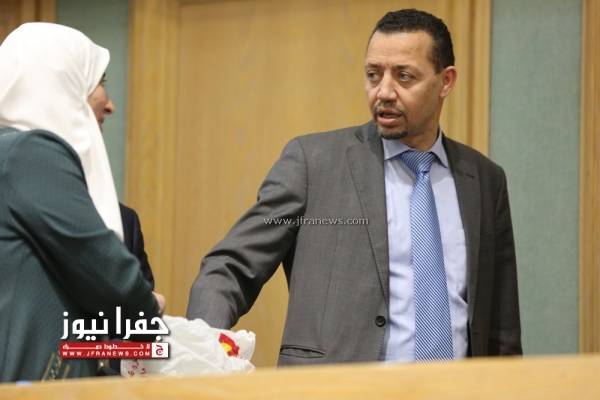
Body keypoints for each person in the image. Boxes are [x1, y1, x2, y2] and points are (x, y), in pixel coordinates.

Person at [187, 9, 521, 365]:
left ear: (446, 81)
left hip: (457, 386)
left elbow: (501, 326)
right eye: (373, 75)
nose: (384, 92)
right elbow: (231, 267)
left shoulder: (485, 180)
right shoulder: (313, 163)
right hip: (337, 385)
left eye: (404, 76)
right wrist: (202, 352)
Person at [0, 23, 161, 381]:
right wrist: (151, 307)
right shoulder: (29, 155)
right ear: (60, 80)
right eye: (99, 81)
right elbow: (117, 284)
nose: (110, 105)